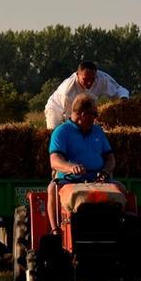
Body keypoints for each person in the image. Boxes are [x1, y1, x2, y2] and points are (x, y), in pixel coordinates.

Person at [47, 94, 117, 234]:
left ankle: (122, 232)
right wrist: (71, 167)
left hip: (98, 180)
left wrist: (105, 171)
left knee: (120, 188)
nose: (96, 118)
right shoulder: (61, 132)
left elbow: (110, 159)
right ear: (83, 114)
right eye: (94, 114)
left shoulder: (98, 131)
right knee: (52, 188)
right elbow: (55, 160)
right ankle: (56, 231)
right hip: (70, 181)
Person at [45, 60, 129, 129]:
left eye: (92, 79)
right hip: (56, 109)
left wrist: (123, 99)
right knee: (55, 134)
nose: (89, 82)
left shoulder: (102, 78)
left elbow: (118, 90)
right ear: (77, 75)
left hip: (82, 111)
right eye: (85, 79)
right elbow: (71, 118)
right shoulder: (68, 90)